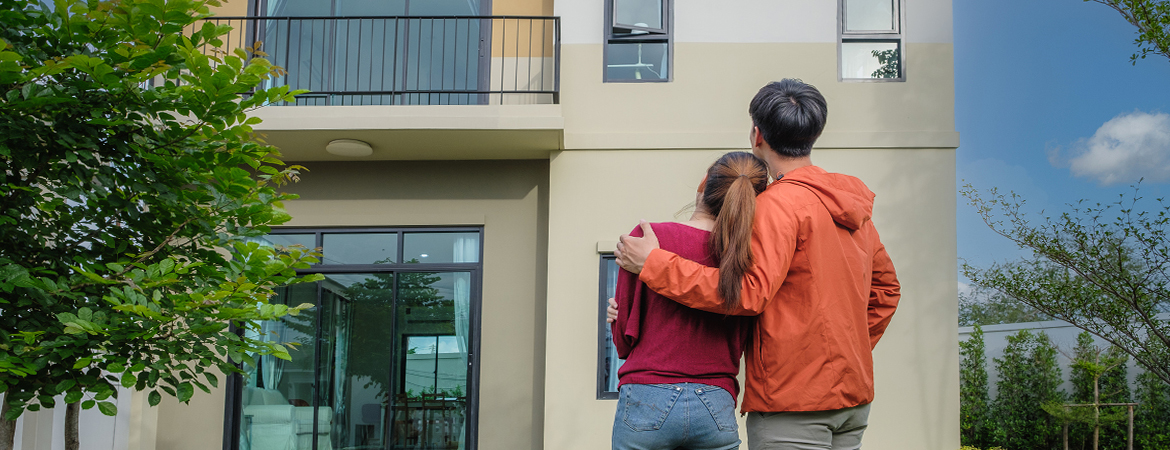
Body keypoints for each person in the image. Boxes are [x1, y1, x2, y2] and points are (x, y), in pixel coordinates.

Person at [613, 79, 901, 450]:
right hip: (853, 401)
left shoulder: (776, 206)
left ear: (756, 133)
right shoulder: (850, 203)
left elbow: (747, 293)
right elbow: (886, 291)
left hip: (794, 402)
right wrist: (845, 353)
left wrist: (654, 263)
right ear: (813, 134)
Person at [610, 151, 770, 450]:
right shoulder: (747, 259)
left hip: (648, 396)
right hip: (715, 401)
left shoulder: (648, 238)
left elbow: (623, 342)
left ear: (704, 183)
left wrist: (617, 320)